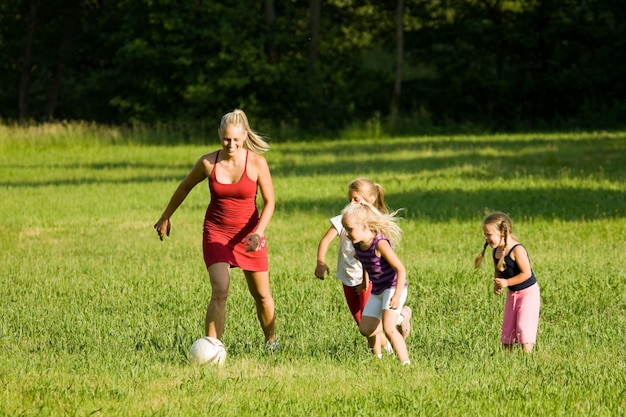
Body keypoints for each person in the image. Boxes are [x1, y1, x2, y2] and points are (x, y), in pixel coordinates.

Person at [154, 109, 278, 350]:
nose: (231, 144)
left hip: (249, 235)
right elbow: (184, 188)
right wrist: (165, 216)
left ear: (244, 137)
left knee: (261, 295)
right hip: (216, 232)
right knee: (220, 289)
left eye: (236, 140)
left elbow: (270, 202)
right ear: (220, 135)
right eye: (226, 139)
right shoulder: (208, 163)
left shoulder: (256, 162)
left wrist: (259, 232)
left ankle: (271, 342)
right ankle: (212, 348)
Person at [315, 178, 412, 357]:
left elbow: (391, 264)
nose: (352, 203)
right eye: (350, 199)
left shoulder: (372, 232)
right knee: (363, 325)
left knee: (374, 322)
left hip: (373, 283)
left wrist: (368, 281)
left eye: (357, 200)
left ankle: (388, 351)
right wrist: (320, 262)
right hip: (348, 278)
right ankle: (385, 344)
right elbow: (326, 241)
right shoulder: (344, 220)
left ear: (371, 200)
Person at [341, 203, 410, 365]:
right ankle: (399, 320)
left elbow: (401, 270)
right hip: (377, 289)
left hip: (392, 287)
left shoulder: (380, 244)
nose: (347, 233)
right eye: (345, 228)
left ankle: (406, 365)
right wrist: (365, 281)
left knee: (389, 328)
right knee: (365, 329)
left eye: (349, 228)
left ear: (364, 226)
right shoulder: (357, 244)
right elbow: (367, 263)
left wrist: (397, 296)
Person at [475, 212, 540, 353]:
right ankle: (507, 358)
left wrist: (507, 282)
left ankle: (527, 357)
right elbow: (499, 271)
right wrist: (498, 284)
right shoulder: (496, 251)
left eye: (489, 234)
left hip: (528, 294)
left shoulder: (517, 250)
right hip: (512, 293)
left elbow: (526, 273)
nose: (486, 238)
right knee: (508, 326)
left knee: (523, 325)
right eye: (485, 234)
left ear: (503, 232)